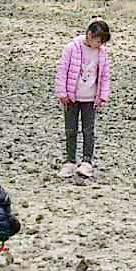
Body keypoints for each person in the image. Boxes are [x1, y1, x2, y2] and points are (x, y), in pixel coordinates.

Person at [53, 19, 113, 178]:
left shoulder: (102, 53)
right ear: (89, 35)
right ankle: (70, 161)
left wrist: (103, 96)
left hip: (90, 98)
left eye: (102, 42)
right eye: (98, 41)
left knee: (89, 130)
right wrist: (62, 93)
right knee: (70, 129)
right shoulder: (71, 48)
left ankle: (87, 161)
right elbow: (62, 71)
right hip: (71, 98)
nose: (100, 45)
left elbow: (105, 75)